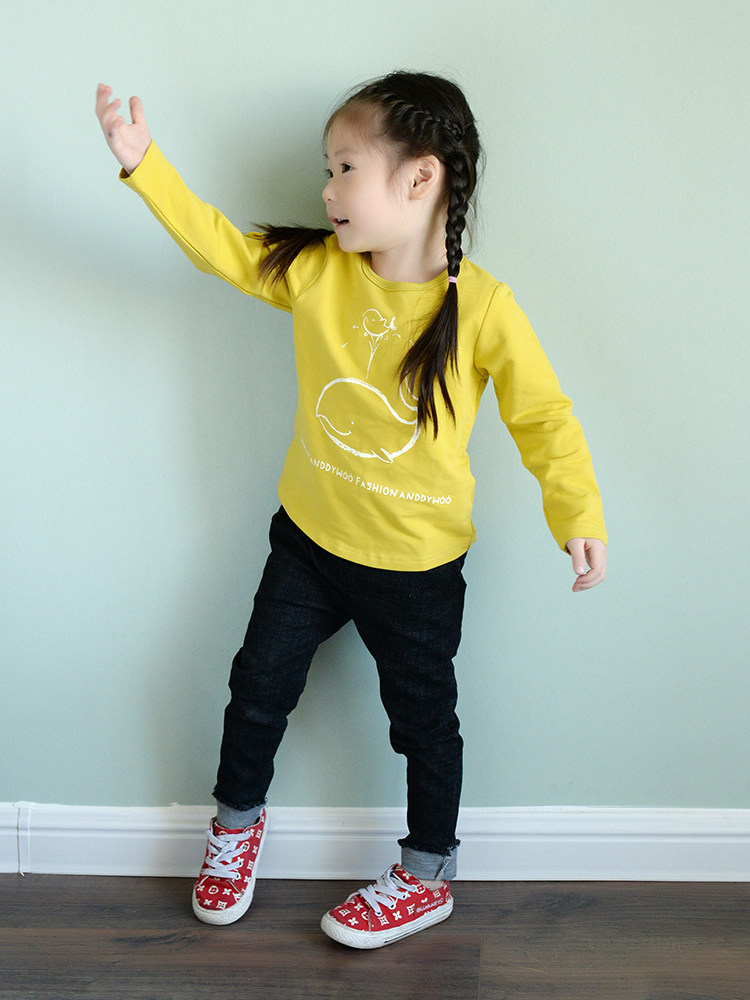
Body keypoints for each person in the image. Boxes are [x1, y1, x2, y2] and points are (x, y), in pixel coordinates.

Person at [95, 71, 607, 949]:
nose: (327, 190)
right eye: (326, 170)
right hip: (308, 545)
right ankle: (234, 828)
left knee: (424, 725)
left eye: (344, 169)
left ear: (420, 179)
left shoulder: (483, 307)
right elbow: (220, 247)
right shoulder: (318, 273)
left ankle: (427, 875)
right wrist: (146, 166)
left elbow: (544, 417)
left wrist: (578, 514)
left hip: (417, 570)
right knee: (257, 689)